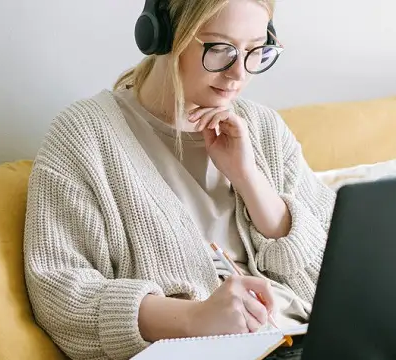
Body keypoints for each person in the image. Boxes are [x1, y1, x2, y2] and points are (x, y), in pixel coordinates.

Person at [22, 0, 336, 359]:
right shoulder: (86, 135)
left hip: (312, 341)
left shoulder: (262, 128)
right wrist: (193, 318)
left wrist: (250, 180)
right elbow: (59, 292)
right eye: (221, 49)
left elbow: (339, 272)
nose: (239, 74)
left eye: (254, 50)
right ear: (163, 35)